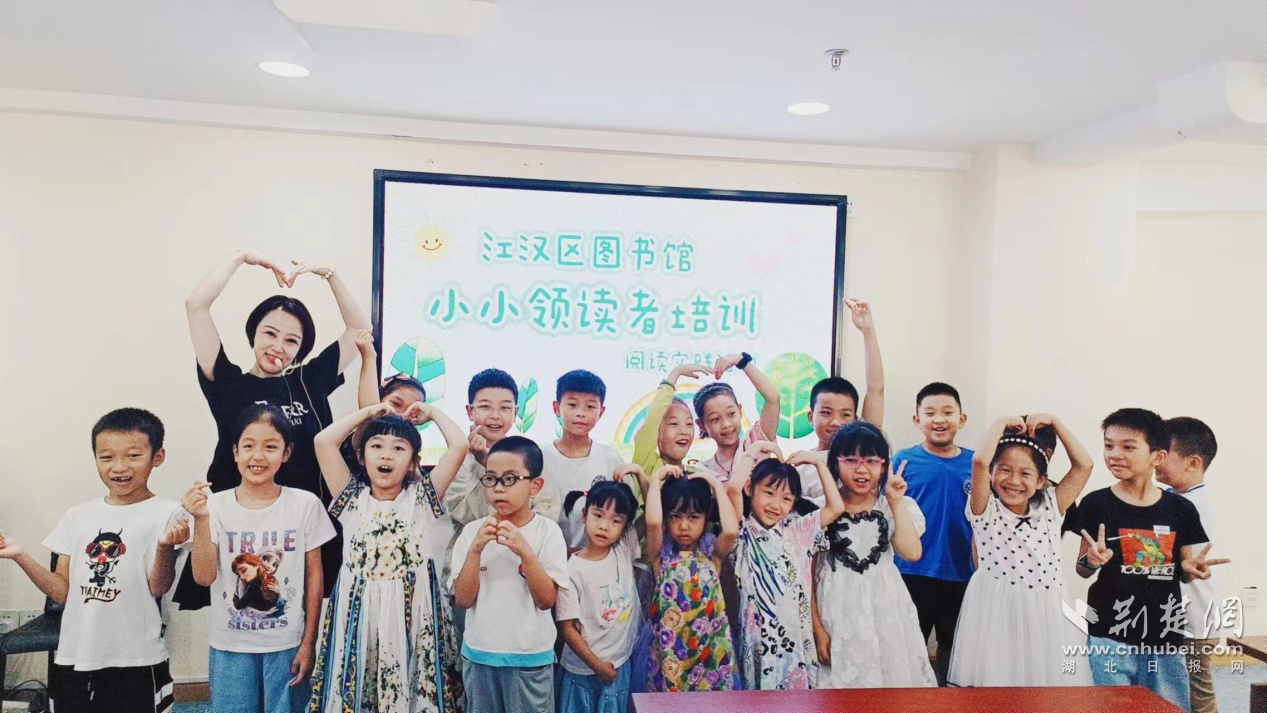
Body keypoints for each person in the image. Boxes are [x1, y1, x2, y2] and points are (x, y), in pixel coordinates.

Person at [179, 249, 369, 607]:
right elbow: (196, 305)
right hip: (241, 527)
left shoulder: (310, 380)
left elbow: (360, 331)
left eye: (291, 341)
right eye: (270, 333)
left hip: (306, 526)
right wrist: (242, 257)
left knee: (306, 616)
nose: (278, 347)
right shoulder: (228, 383)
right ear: (253, 334)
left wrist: (331, 274)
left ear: (300, 349)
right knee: (244, 611)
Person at [0, 409, 188, 713]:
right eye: (106, 457)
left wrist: (166, 546)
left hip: (137, 657)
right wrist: (20, 555)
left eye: (133, 455)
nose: (119, 467)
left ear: (157, 457)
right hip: (76, 655)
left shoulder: (169, 512)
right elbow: (62, 592)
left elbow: (158, 587)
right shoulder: (77, 515)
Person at [308, 398, 469, 712]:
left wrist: (433, 412)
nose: (386, 454)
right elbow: (323, 442)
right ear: (361, 456)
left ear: (412, 462)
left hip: (413, 610)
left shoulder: (421, 498)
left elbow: (459, 446)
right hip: (360, 609)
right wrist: (368, 413)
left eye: (398, 448)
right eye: (377, 446)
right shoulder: (352, 499)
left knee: (412, 686)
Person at [185, 404, 336, 713]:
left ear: (286, 453)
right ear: (235, 452)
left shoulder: (305, 504)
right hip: (230, 645)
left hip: (287, 643)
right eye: (248, 446)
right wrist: (200, 519)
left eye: (270, 446)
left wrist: (309, 642)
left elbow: (314, 578)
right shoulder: (214, 507)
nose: (258, 456)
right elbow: (203, 577)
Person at [1076, 408, 1227, 712]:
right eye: (1108, 445)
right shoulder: (1096, 503)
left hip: (1164, 636)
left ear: (1157, 456)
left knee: (1167, 706)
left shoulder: (1181, 509)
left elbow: (1183, 569)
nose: (1114, 454)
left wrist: (1189, 569)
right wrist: (1091, 560)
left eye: (1128, 447)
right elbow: (1082, 569)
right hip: (1110, 633)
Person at [948, 414, 1094, 687]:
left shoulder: (1052, 505)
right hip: (998, 608)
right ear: (991, 474)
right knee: (999, 679)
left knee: (1047, 681)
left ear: (1041, 480)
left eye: (1025, 473)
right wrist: (1000, 423)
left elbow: (1084, 465)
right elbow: (979, 460)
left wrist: (1056, 422)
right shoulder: (985, 510)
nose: (1013, 480)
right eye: (1004, 469)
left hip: (1048, 608)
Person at [449, 437, 569, 713]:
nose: (499, 488)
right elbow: (464, 600)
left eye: (511, 479)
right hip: (479, 656)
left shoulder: (547, 532)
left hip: (529, 658)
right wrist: (475, 550)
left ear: (535, 485)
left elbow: (546, 600)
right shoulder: (472, 532)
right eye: (491, 479)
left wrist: (525, 552)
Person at [812, 422, 935, 689]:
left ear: (883, 465)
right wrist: (818, 629)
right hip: (835, 608)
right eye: (851, 460)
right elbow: (807, 575)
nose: (861, 469)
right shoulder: (819, 510)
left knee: (889, 679)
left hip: (885, 607)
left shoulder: (892, 505)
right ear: (835, 463)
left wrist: (895, 501)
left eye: (871, 461)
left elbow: (912, 553)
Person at [725, 443, 845, 690]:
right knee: (757, 700)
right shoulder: (743, 532)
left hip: (796, 637)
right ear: (750, 488)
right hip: (757, 638)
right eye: (769, 493)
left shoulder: (799, 530)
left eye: (786, 498)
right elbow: (732, 488)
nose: (775, 504)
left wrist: (818, 462)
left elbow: (836, 508)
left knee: (798, 700)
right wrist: (756, 448)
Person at [893, 382, 975, 685]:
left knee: (954, 653)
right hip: (911, 572)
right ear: (917, 420)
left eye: (947, 412)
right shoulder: (903, 461)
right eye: (930, 413)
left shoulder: (978, 464)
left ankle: (950, 701)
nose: (939, 419)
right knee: (909, 649)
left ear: (962, 419)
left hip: (962, 573)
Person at [644, 465, 738, 692]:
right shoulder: (661, 555)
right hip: (670, 653)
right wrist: (656, 479)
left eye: (694, 517)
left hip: (709, 650)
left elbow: (731, 531)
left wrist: (716, 485)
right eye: (675, 516)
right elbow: (653, 523)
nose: (684, 526)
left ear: (705, 518)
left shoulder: (712, 554)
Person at [1155, 416, 1223, 713]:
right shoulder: (1175, 498)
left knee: (1198, 695)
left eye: (1163, 452)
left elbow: (1183, 563)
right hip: (1179, 618)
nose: (1155, 458)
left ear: (1192, 462)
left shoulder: (1194, 506)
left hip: (1194, 621)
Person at [556, 481, 641, 713]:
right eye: (598, 515)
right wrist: (597, 666)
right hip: (582, 671)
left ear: (625, 527)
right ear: (585, 515)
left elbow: (653, 520)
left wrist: (639, 476)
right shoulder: (572, 570)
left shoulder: (623, 550)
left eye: (616, 521)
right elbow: (567, 628)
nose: (604, 526)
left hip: (620, 663)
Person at [792, 299, 886, 504]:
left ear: (856, 420)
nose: (835, 422)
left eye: (845, 415)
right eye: (826, 412)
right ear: (811, 417)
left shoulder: (863, 458)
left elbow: (876, 389)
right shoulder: (800, 463)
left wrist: (867, 331)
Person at [546, 369, 626, 551]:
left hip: (599, 558)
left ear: (601, 412)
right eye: (572, 405)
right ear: (556, 408)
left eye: (590, 407)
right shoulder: (541, 459)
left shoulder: (611, 459)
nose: (581, 413)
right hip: (550, 558)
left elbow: (623, 513)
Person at [694, 353, 780, 480]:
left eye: (731, 414)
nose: (726, 424)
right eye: (715, 419)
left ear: (739, 410)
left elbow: (773, 398)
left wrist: (741, 361)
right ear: (701, 425)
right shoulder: (703, 470)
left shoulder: (755, 442)